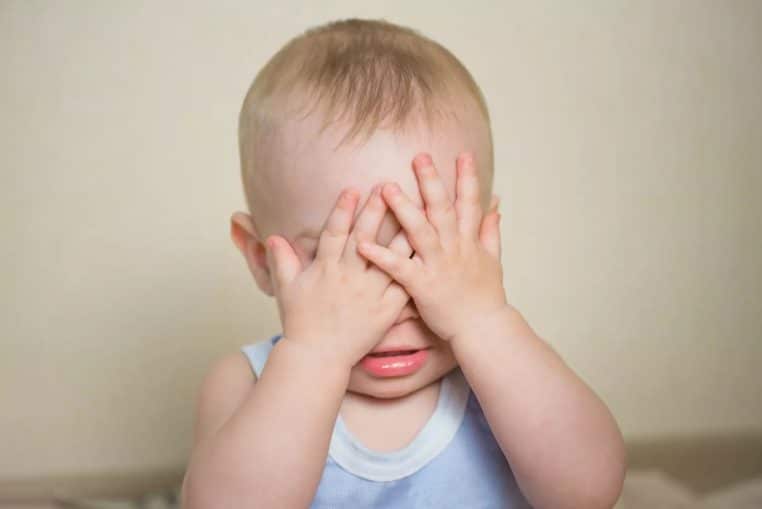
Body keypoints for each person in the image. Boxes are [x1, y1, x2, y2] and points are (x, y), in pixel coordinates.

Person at [181, 17, 626, 509]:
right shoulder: (246, 382)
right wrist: (314, 355)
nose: (389, 305)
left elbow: (589, 491)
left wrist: (483, 321)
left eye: (424, 251)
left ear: (482, 242)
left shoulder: (507, 369)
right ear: (261, 258)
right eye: (341, 259)